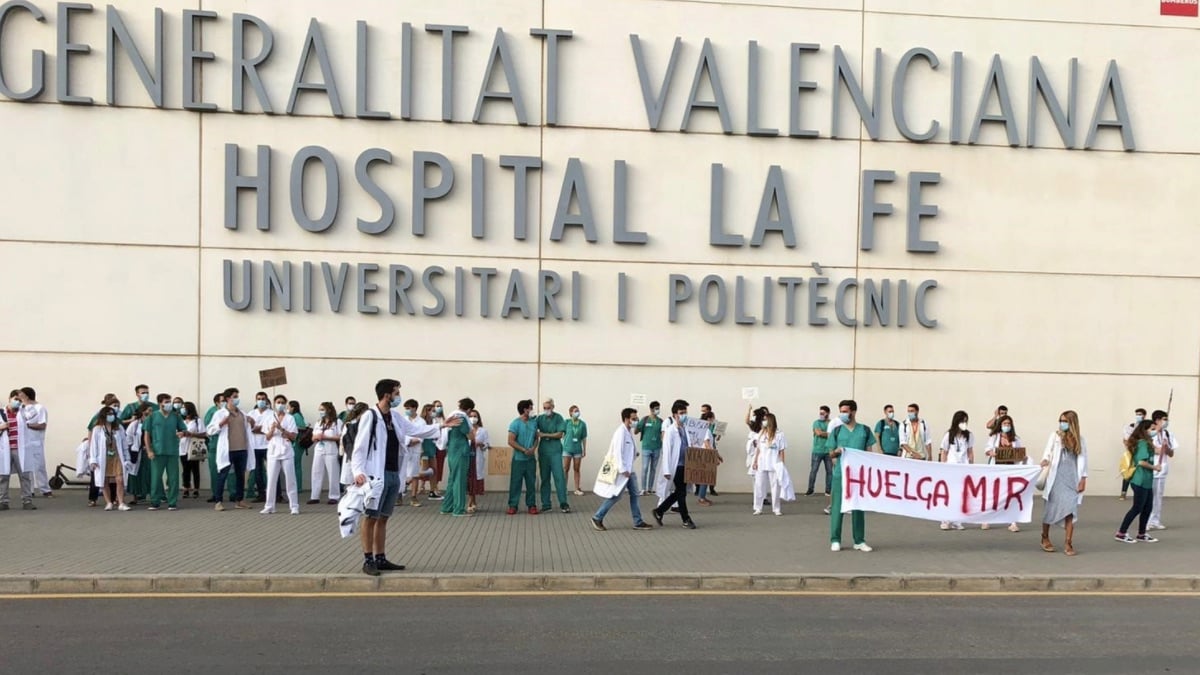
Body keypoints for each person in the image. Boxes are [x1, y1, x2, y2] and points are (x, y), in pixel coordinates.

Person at [351, 378, 456, 576]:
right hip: (375, 474)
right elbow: (360, 446)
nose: (399, 396)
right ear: (387, 395)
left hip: (392, 473)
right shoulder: (370, 416)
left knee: (383, 517)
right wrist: (358, 472)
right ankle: (368, 559)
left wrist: (442, 426)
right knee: (371, 517)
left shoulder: (395, 417)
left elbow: (416, 430)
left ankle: (380, 557)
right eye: (397, 393)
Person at [592, 407, 654, 531]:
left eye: (636, 418)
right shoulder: (620, 432)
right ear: (626, 419)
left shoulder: (628, 431)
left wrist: (634, 453)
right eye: (634, 419)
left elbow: (628, 449)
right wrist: (622, 469)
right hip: (624, 471)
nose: (636, 421)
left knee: (635, 494)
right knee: (616, 496)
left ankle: (638, 521)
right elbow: (617, 452)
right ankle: (597, 517)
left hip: (629, 470)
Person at [828, 399, 874, 552]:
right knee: (837, 506)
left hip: (859, 475)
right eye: (841, 411)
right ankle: (835, 539)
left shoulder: (865, 430)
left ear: (853, 412)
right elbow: (831, 453)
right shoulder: (837, 431)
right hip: (841, 473)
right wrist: (837, 452)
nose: (843, 414)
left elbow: (869, 454)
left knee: (858, 506)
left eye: (845, 411)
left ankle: (859, 540)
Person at [1041, 410, 1089, 555]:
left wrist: (1083, 479)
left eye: (1065, 421)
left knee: (1070, 510)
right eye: (1061, 421)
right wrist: (1045, 460)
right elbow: (1048, 452)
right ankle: (1045, 537)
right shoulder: (1055, 436)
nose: (1062, 424)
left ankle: (1068, 543)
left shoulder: (1080, 440)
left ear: (1072, 423)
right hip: (1055, 478)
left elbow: (1083, 459)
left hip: (1071, 478)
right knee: (1051, 508)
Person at [651, 399, 697, 530]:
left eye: (685, 412)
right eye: (681, 413)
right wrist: (666, 470)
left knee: (680, 492)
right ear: (675, 415)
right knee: (681, 493)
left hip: (685, 465)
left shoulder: (685, 429)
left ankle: (659, 511)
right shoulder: (670, 431)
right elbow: (666, 451)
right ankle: (686, 519)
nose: (684, 415)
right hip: (676, 466)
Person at [207, 388, 254, 512]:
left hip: (242, 449)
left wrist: (252, 422)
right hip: (228, 450)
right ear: (228, 399)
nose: (237, 399)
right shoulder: (220, 413)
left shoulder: (242, 414)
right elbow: (210, 430)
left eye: (237, 396)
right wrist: (221, 423)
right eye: (235, 396)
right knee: (222, 475)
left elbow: (248, 429)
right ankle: (218, 501)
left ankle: (239, 500)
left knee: (240, 476)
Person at [1115, 419, 1159, 545]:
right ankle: (1121, 533)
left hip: (1147, 481)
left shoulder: (1147, 443)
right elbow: (1141, 462)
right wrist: (1155, 467)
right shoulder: (1143, 444)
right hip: (1139, 480)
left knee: (1148, 507)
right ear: (1145, 431)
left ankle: (1142, 533)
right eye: (1152, 429)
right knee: (1137, 508)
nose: (1154, 431)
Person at [143, 392, 187, 511]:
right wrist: (149, 450)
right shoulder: (152, 417)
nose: (169, 404)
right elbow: (146, 435)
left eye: (169, 402)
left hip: (172, 450)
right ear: (160, 404)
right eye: (166, 402)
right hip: (157, 451)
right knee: (156, 478)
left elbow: (183, 429)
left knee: (173, 478)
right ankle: (155, 501)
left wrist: (182, 433)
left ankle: (172, 502)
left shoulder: (175, 416)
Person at [260, 394, 300, 515]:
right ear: (274, 403)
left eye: (282, 402)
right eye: (278, 402)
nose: (280, 404)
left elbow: (293, 436)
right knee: (271, 479)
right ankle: (269, 506)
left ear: (285, 404)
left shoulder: (290, 418)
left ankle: (294, 506)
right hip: (273, 451)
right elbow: (267, 437)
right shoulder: (268, 417)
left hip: (286, 451)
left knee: (290, 479)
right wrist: (272, 429)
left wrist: (281, 429)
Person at [984, 414, 1024, 532]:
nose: (1007, 426)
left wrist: (1021, 456)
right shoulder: (994, 437)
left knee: (1011, 495)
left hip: (1011, 469)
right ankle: (987, 519)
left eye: (1008, 424)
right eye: (1004, 424)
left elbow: (1019, 453)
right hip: (997, 468)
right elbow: (987, 450)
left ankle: (1012, 522)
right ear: (1000, 425)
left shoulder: (1015, 439)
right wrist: (991, 453)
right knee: (993, 494)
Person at [440, 398, 477, 517]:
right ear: (469, 409)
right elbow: (470, 436)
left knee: (452, 480)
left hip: (452, 451)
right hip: (461, 452)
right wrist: (472, 433)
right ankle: (458, 509)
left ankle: (447, 507)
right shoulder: (461, 418)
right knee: (460, 481)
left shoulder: (452, 415)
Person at [938, 410, 974, 530]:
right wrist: (943, 467)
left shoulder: (968, 435)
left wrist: (971, 466)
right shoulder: (949, 435)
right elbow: (944, 452)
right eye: (962, 421)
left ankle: (957, 521)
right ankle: (945, 520)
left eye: (965, 421)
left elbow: (970, 452)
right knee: (949, 494)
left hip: (963, 468)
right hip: (951, 468)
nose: (964, 423)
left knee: (961, 496)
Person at [88, 408, 131, 511]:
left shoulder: (119, 428)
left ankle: (121, 502)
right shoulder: (97, 429)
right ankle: (109, 502)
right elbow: (94, 445)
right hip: (103, 458)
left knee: (119, 480)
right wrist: (93, 460)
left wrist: (127, 458)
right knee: (104, 480)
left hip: (117, 457)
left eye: (112, 414)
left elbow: (124, 444)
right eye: (109, 414)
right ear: (103, 416)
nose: (111, 416)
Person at [119, 384, 153, 502]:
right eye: (143, 392)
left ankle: (150, 494)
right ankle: (135, 495)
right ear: (137, 394)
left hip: (149, 450)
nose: (145, 395)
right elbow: (124, 429)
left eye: (147, 392)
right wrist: (131, 447)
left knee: (149, 473)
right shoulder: (131, 411)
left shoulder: (153, 410)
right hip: (136, 450)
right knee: (135, 472)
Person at [750, 412, 788, 516]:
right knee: (759, 485)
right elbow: (758, 449)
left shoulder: (779, 434)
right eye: (763, 420)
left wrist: (782, 464)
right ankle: (758, 507)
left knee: (775, 486)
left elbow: (781, 451)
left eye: (765, 419)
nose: (763, 421)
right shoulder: (761, 433)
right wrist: (755, 461)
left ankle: (776, 508)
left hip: (774, 462)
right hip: (762, 463)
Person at [0, 394, 34, 510]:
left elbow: (33, 415)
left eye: (19, 400)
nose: (17, 402)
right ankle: (3, 501)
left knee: (24, 475)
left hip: (19, 449)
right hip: (5, 449)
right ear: (9, 399)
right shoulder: (1, 413)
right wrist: (1, 427)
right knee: (3, 476)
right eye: (15, 399)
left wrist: (25, 403)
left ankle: (27, 501)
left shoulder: (23, 412)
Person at [536, 398, 570, 514]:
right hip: (543, 451)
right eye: (545, 408)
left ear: (553, 407)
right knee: (544, 478)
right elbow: (534, 431)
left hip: (555, 451)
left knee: (559, 477)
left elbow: (560, 434)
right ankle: (546, 504)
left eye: (548, 408)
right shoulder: (540, 419)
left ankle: (563, 503)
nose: (547, 410)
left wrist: (544, 434)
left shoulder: (558, 418)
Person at [506, 399, 539, 515]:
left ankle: (531, 505)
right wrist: (523, 450)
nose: (532, 410)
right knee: (516, 483)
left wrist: (533, 448)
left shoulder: (533, 423)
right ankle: (513, 505)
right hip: (519, 459)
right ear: (525, 409)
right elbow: (510, 441)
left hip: (531, 459)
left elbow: (536, 438)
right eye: (530, 408)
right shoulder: (515, 423)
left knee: (531, 482)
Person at [15, 388, 50, 498]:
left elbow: (42, 425)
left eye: (21, 394)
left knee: (39, 466)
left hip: (36, 441)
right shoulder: (21, 408)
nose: (19, 396)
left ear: (27, 396)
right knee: (26, 467)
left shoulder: (40, 408)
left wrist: (27, 425)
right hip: (23, 442)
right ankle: (29, 490)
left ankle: (45, 489)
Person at [308, 401, 343, 505]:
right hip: (319, 449)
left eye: (322, 410)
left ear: (329, 410)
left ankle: (334, 496)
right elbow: (313, 437)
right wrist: (317, 437)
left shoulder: (337, 422)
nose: (321, 412)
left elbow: (340, 436)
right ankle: (314, 496)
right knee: (316, 472)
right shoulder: (318, 422)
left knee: (333, 473)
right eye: (320, 410)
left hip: (331, 450)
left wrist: (327, 437)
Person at [1147, 410, 1176, 531]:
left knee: (1158, 496)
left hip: (1162, 469)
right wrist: (1161, 448)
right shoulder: (1150, 434)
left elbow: (1171, 453)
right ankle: (1147, 521)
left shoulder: (1168, 434)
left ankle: (1156, 520)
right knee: (1150, 496)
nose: (1166, 421)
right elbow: (1154, 450)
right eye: (1164, 419)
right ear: (1157, 420)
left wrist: (1166, 447)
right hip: (1151, 468)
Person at [202, 392, 229, 503]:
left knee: (230, 471)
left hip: (228, 444)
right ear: (217, 402)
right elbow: (209, 428)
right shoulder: (212, 412)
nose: (224, 403)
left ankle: (233, 493)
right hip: (214, 445)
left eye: (225, 400)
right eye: (222, 401)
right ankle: (216, 494)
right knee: (215, 471)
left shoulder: (231, 411)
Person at [246, 391, 271, 502]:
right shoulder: (251, 413)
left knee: (272, 470)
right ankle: (261, 494)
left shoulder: (271, 413)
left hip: (267, 445)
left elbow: (270, 429)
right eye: (259, 399)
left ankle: (277, 494)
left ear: (266, 400)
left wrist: (257, 429)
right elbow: (249, 429)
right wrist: (259, 428)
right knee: (257, 471)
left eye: (263, 399)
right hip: (255, 446)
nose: (261, 401)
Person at [635, 401, 663, 496]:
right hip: (646, 447)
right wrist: (637, 424)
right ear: (651, 409)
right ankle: (643, 489)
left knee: (653, 468)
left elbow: (663, 434)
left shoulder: (660, 421)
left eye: (658, 408)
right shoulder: (645, 419)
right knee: (645, 467)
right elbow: (636, 431)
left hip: (657, 447)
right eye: (656, 408)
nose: (658, 410)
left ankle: (650, 488)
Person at [179, 402, 206, 499]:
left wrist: (191, 434)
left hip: (194, 448)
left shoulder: (197, 421)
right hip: (182, 448)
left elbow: (203, 434)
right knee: (185, 470)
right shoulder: (181, 420)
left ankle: (196, 489)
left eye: (184, 408)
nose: (182, 410)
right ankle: (186, 488)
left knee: (195, 469)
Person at [340, 402, 370, 488]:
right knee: (351, 484)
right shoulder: (349, 424)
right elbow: (345, 441)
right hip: (350, 455)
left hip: (361, 456)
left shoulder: (366, 424)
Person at [1119, 408, 1146, 500]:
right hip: (1131, 452)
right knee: (1128, 471)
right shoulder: (1131, 426)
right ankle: (1123, 493)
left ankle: (1139, 493)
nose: (1138, 416)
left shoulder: (1147, 427)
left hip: (1142, 453)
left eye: (1140, 414)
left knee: (1140, 472)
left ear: (1144, 416)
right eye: (1137, 414)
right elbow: (1126, 440)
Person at [562, 404, 589, 496]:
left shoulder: (582, 424)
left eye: (578, 411)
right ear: (570, 413)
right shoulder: (566, 422)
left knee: (577, 469)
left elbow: (584, 438)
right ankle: (563, 488)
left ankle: (577, 489)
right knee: (565, 468)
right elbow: (561, 434)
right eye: (575, 411)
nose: (577, 412)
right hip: (567, 448)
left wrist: (584, 449)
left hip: (577, 449)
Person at [806, 406, 832, 498]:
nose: (821, 415)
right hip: (817, 450)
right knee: (813, 470)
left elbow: (834, 435)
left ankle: (828, 490)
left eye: (823, 413)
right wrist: (828, 434)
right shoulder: (816, 423)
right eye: (820, 413)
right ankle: (810, 489)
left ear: (828, 413)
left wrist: (826, 434)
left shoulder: (831, 423)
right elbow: (819, 433)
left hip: (829, 450)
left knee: (829, 471)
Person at [467, 410, 488, 514]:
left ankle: (471, 502)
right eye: (471, 416)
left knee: (475, 478)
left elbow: (487, 444)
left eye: (475, 416)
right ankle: (472, 501)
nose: (473, 418)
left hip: (478, 457)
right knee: (469, 479)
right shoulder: (465, 429)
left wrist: (481, 444)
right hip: (467, 457)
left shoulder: (483, 431)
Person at [288, 400, 307, 495]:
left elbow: (302, 427)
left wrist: (292, 427)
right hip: (296, 443)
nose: (288, 409)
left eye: (289, 407)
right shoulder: (296, 415)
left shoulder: (296, 416)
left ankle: (298, 487)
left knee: (296, 466)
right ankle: (297, 486)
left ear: (293, 407)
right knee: (296, 465)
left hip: (297, 443)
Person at [429, 399, 446, 499]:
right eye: (437, 406)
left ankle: (435, 486)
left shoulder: (444, 419)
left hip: (442, 445)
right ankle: (428, 487)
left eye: (440, 405)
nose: (439, 407)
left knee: (439, 467)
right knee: (430, 467)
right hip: (433, 445)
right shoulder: (431, 419)